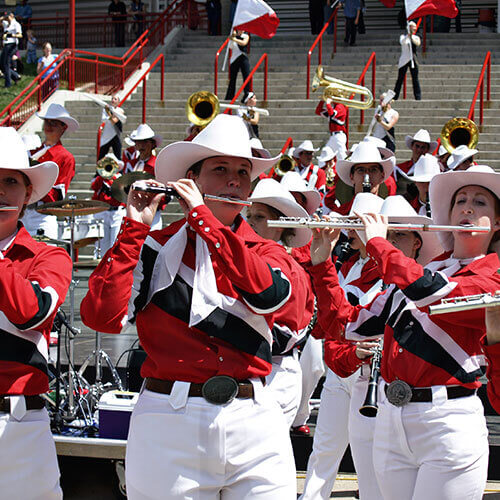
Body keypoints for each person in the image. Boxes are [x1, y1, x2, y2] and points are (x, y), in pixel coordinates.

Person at [80, 114, 298, 499]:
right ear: (191, 181)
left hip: (255, 420)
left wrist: (204, 219)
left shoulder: (267, 250)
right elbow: (102, 317)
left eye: (243, 172)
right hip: (169, 419)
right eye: (220, 170)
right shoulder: (155, 246)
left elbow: (269, 296)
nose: (234, 181)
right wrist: (134, 229)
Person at [308, 164, 500, 500]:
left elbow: (435, 293)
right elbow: (348, 325)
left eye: (480, 203)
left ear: (497, 223)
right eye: (460, 201)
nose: (467, 207)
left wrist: (380, 245)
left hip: (448, 421)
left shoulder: (494, 274)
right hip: (391, 417)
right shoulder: (428, 270)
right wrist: (322, 263)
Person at [0, 127, 72, 500]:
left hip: (20, 425)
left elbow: (30, 313)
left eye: (9, 181)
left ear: (28, 193)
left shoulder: (49, 256)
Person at [300, 192, 385, 500]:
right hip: (339, 368)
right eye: (352, 222)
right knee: (325, 445)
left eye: (359, 223)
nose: (352, 229)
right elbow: (329, 322)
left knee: (368, 457)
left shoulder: (387, 273)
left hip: (368, 373)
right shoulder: (344, 264)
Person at [246, 178, 315, 427]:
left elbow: (288, 332)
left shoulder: (283, 265)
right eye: (250, 215)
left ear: (279, 225)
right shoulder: (257, 258)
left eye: (260, 217)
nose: (250, 222)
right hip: (262, 370)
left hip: (274, 372)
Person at [22, 103, 79, 239]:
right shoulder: (31, 152)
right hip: (23, 213)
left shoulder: (66, 157)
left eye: (54, 123)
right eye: (46, 122)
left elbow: (58, 194)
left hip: (43, 215)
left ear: (63, 128)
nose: (48, 126)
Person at [324, 140, 395, 215]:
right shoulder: (338, 216)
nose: (367, 176)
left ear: (382, 175)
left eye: (373, 170)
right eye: (361, 170)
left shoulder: (392, 214)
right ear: (351, 176)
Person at [394, 21, 421, 101]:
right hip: (404, 60)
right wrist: (407, 36)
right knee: (400, 79)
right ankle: (395, 96)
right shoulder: (403, 37)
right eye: (410, 27)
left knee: (415, 79)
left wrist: (411, 37)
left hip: (413, 59)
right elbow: (402, 42)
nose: (412, 28)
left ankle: (418, 97)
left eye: (413, 27)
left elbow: (417, 43)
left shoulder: (416, 37)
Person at [98, 95, 127, 160]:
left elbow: (114, 121)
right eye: (112, 99)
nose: (113, 100)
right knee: (101, 156)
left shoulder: (120, 110)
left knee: (118, 156)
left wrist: (108, 113)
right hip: (107, 135)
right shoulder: (105, 109)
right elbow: (103, 119)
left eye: (115, 99)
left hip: (115, 135)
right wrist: (109, 113)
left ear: (118, 102)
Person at [225, 29, 250, 102]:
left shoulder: (246, 36)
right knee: (232, 78)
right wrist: (232, 38)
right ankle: (230, 96)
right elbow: (231, 47)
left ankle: (246, 94)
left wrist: (234, 39)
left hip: (243, 57)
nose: (241, 30)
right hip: (234, 58)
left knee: (246, 76)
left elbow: (244, 43)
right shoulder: (233, 37)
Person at [1, 12, 22, 88]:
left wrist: (12, 35)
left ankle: (8, 84)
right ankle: (15, 76)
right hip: (6, 45)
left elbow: (20, 35)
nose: (7, 19)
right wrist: (3, 18)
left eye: (8, 17)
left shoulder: (16, 24)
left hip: (12, 45)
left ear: (12, 16)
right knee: (2, 64)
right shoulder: (6, 23)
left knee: (6, 63)